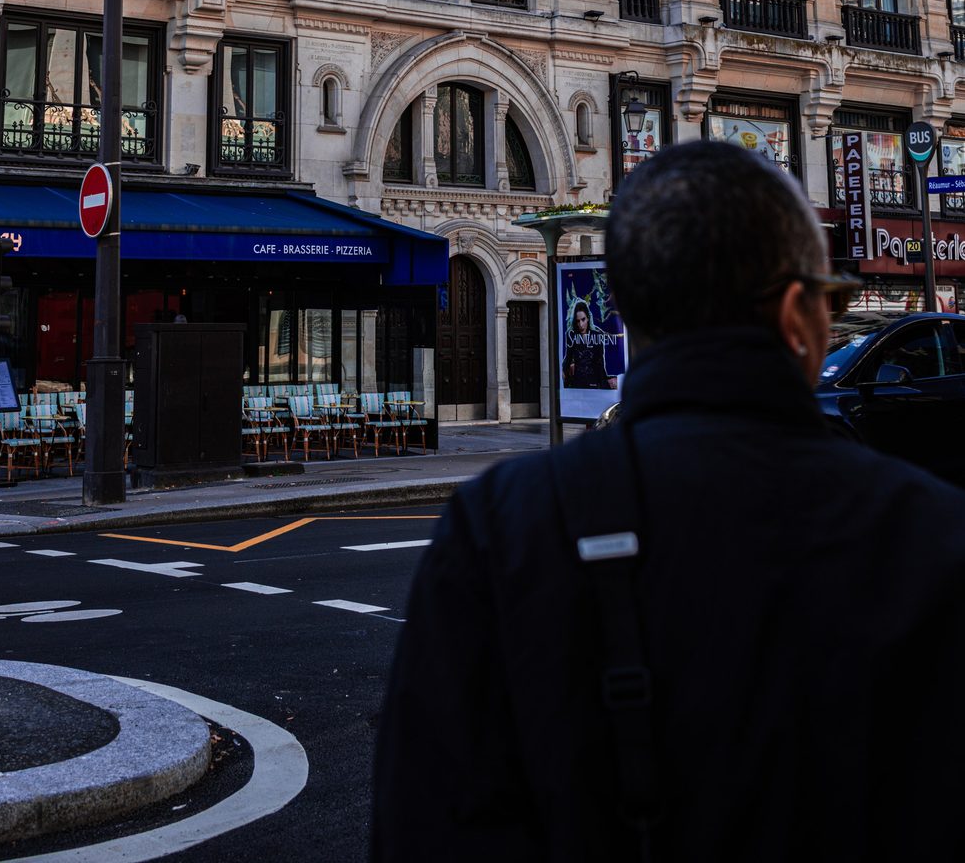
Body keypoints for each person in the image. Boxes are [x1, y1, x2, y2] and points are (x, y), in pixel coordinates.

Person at [372, 143, 965, 861]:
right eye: (828, 300)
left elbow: (423, 827)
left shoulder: (501, 527)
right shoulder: (930, 537)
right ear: (795, 316)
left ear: (626, 311)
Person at [562, 299, 616, 391]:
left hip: (594, 382)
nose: (581, 324)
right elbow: (568, 357)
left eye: (583, 320)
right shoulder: (571, 335)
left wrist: (604, 384)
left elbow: (600, 362)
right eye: (578, 321)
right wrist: (568, 367)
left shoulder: (597, 335)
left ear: (588, 318)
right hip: (577, 383)